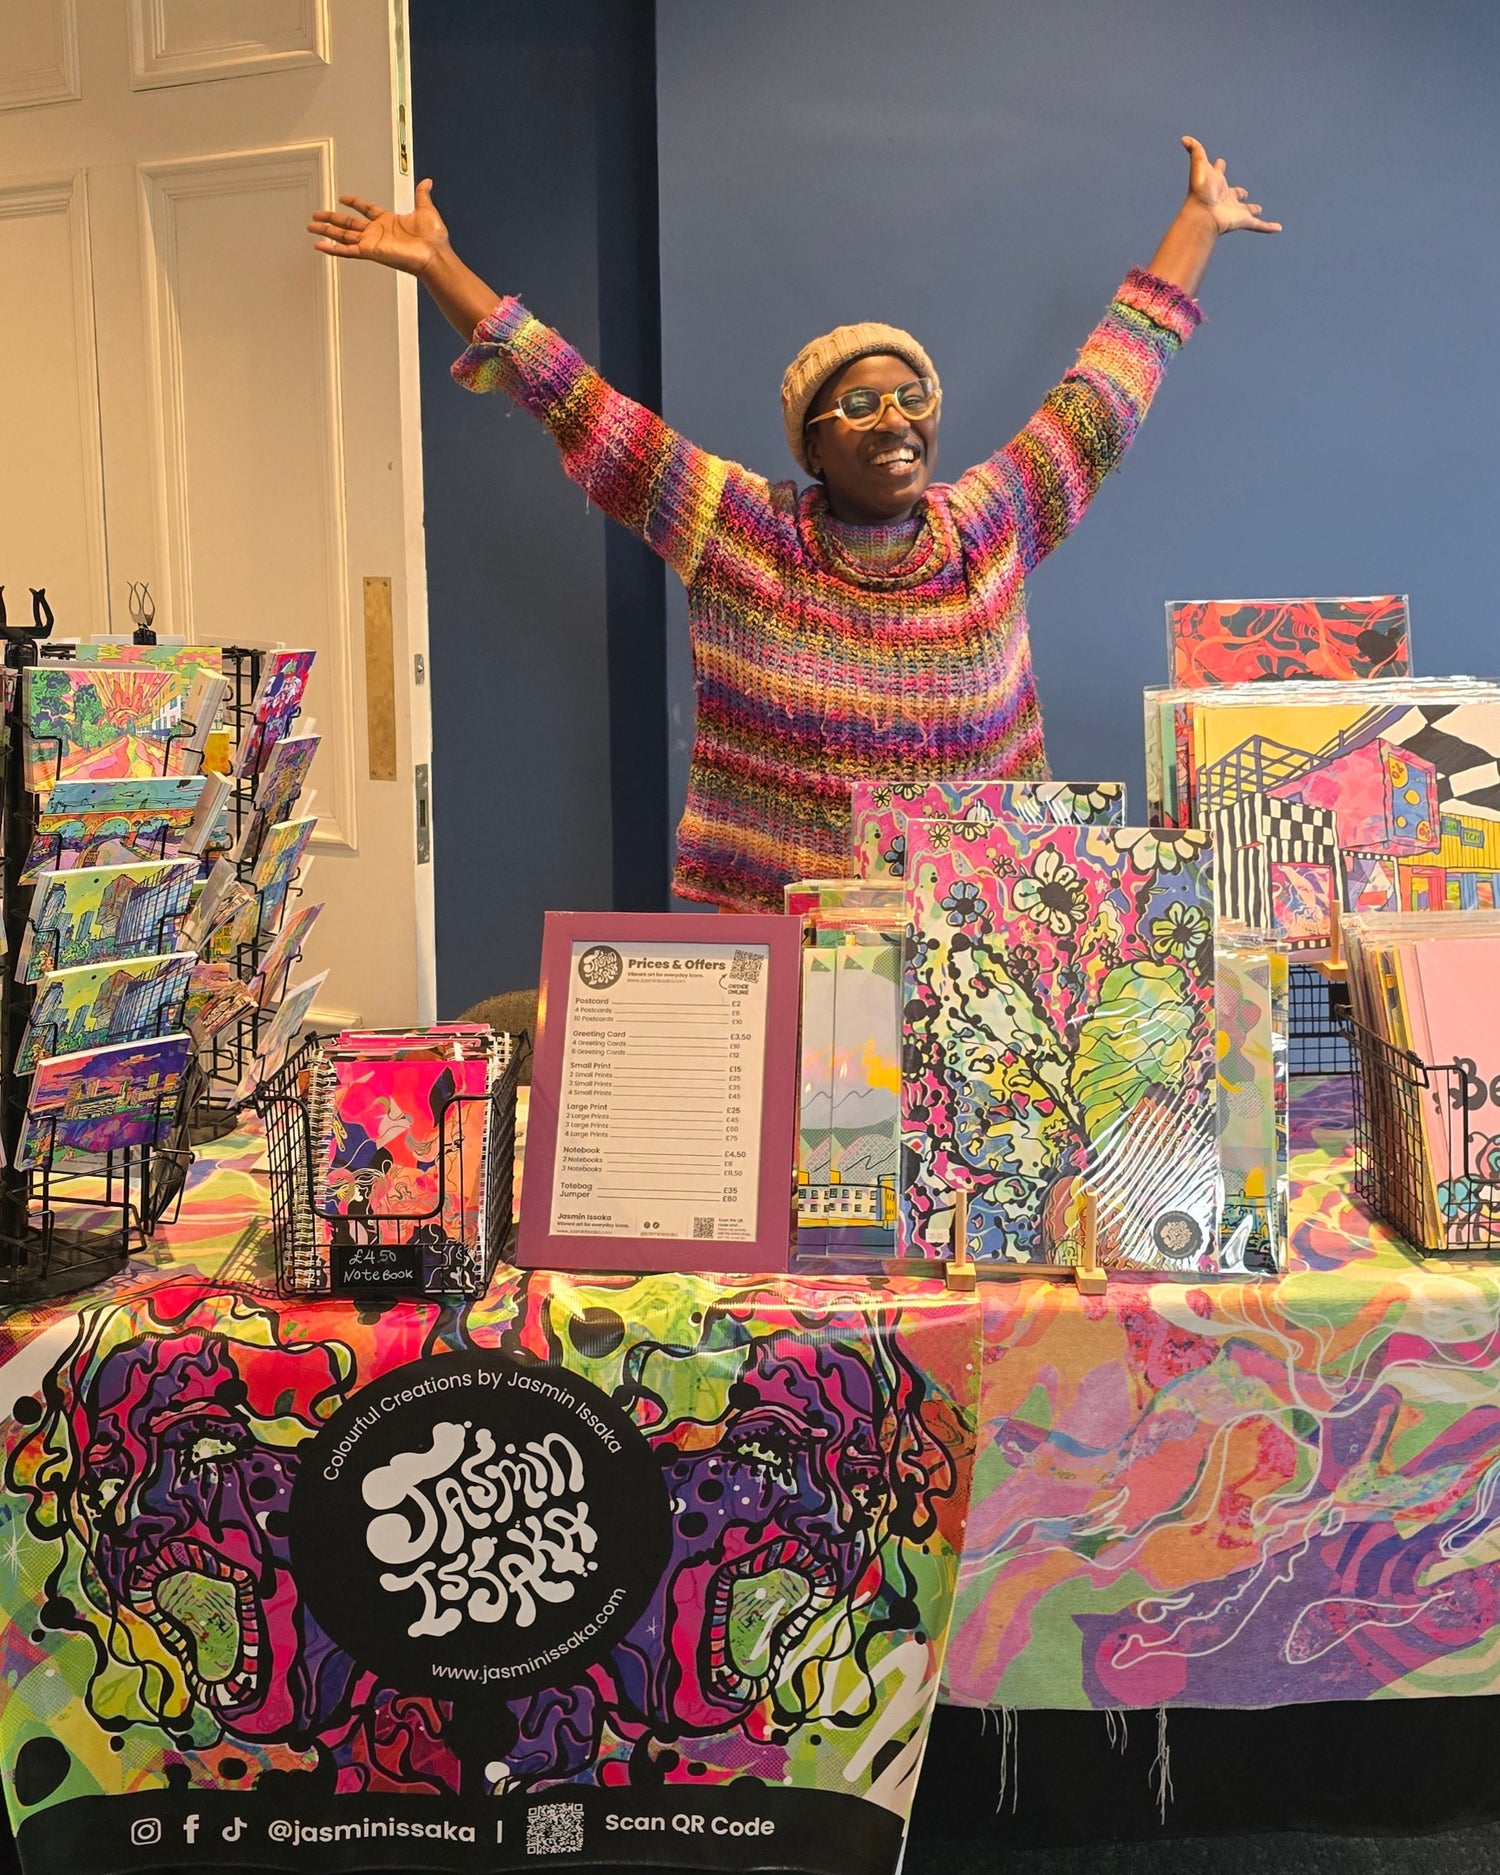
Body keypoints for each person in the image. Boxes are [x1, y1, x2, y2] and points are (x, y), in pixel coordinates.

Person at [309, 137, 1278, 912]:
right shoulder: (742, 531)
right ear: (811, 445)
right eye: (860, 407)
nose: (896, 420)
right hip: (793, 940)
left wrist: (1197, 222)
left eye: (913, 395)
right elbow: (578, 402)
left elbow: (1110, 386)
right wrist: (439, 264)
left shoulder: (993, 521)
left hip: (985, 931)